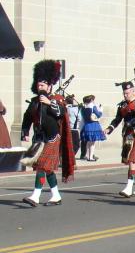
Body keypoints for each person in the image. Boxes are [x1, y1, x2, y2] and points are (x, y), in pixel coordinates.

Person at [21, 60, 75, 207]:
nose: (40, 87)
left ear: (50, 86)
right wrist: (24, 131)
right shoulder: (34, 101)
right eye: (38, 85)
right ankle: (56, 195)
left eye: (43, 85)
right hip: (39, 139)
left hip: (53, 138)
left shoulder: (56, 99)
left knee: (42, 166)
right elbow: (27, 117)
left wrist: (49, 103)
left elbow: (61, 113)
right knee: (48, 169)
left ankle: (36, 196)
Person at [80, 95, 106, 161]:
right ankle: (90, 157)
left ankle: (87, 155)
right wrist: (101, 110)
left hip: (86, 125)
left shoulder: (83, 108)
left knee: (88, 142)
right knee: (92, 142)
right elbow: (99, 115)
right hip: (93, 125)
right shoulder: (93, 107)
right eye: (93, 100)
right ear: (91, 100)